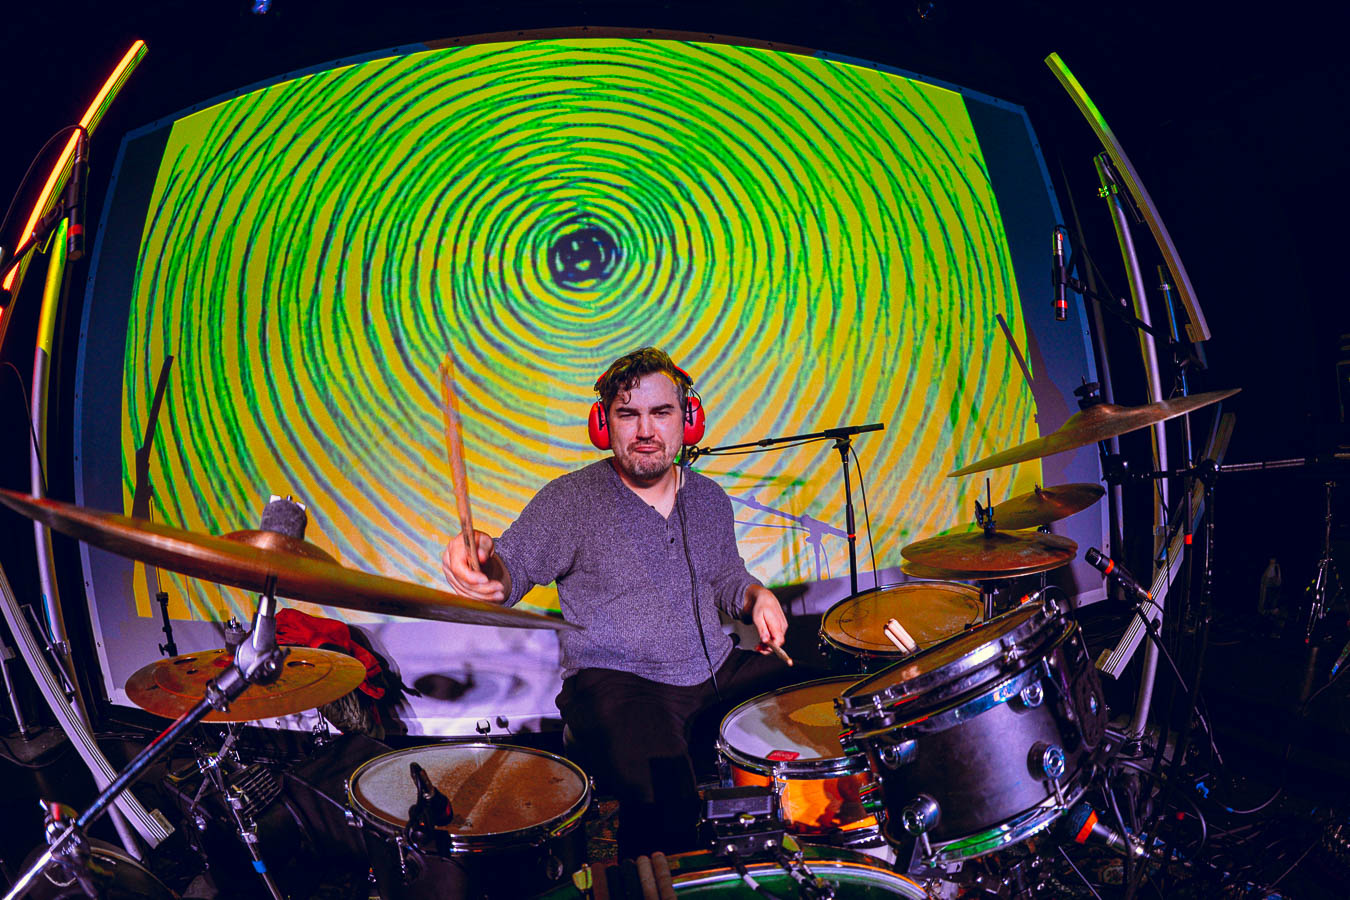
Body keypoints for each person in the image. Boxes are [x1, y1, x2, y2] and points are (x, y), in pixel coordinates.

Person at [441, 347, 793, 858]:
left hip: (713, 668)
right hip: (619, 682)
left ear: (686, 421)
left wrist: (755, 595)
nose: (644, 430)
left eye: (660, 412)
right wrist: (481, 564)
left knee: (823, 699)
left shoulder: (709, 498)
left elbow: (724, 577)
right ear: (604, 425)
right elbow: (509, 567)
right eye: (627, 414)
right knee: (665, 798)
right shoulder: (569, 500)